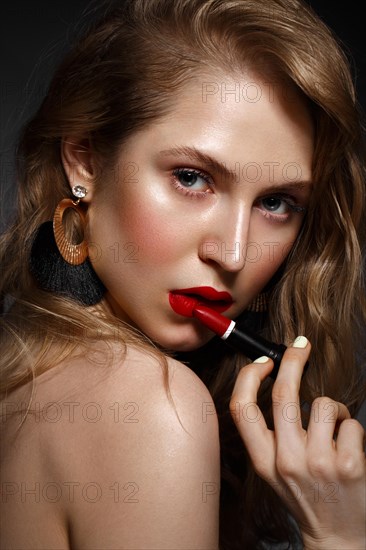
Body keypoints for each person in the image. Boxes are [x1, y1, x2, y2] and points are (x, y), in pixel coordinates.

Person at [1, 0, 365, 548]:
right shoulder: (153, 409)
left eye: (276, 203)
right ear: (86, 161)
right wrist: (339, 537)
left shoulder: (24, 372)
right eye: (192, 178)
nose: (235, 253)